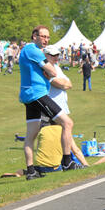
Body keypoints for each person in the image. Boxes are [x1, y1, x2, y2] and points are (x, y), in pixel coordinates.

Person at [19, 26, 77, 180]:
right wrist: (48, 71)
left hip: (29, 94)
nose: (45, 40)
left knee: (31, 135)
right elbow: (52, 72)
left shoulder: (29, 51)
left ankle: (31, 171)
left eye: (47, 37)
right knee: (67, 123)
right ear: (34, 36)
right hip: (37, 94)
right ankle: (67, 162)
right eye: (43, 36)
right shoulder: (33, 50)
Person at [43, 45, 88, 168]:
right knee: (67, 137)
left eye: (57, 55)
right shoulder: (45, 68)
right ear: (46, 55)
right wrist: (61, 83)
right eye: (53, 55)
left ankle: (80, 163)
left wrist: (62, 83)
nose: (56, 57)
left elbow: (69, 84)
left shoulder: (57, 68)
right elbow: (58, 83)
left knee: (67, 136)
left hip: (62, 107)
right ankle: (78, 163)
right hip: (53, 107)